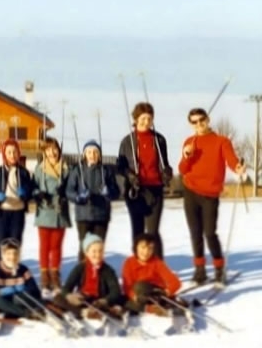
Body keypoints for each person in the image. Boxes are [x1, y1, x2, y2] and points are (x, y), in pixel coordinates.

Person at [179, 108, 245, 284]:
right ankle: (200, 271)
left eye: (201, 120)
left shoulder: (221, 141)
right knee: (195, 233)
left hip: (210, 193)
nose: (199, 124)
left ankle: (218, 268)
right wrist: (187, 155)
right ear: (191, 124)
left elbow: (231, 159)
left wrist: (238, 167)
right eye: (194, 122)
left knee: (209, 233)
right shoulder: (189, 142)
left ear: (208, 119)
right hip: (191, 190)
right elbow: (182, 169)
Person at [117, 102, 173, 258]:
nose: (146, 122)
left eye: (149, 118)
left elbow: (164, 164)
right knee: (138, 230)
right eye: (142, 118)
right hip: (135, 190)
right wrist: (130, 176)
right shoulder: (127, 141)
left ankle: (158, 265)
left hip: (155, 189)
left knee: (153, 231)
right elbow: (120, 166)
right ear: (135, 119)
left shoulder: (159, 139)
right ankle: (138, 264)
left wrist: (167, 172)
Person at [66, 140, 120, 260]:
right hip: (83, 215)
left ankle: (97, 273)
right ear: (84, 154)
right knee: (84, 246)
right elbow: (69, 190)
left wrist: (109, 192)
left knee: (98, 247)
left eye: (95, 152)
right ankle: (83, 271)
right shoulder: (77, 170)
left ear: (99, 155)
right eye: (89, 152)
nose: (92, 155)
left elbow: (116, 191)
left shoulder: (106, 171)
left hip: (101, 215)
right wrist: (78, 197)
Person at [32, 137, 71, 295]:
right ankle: (44, 275)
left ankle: (55, 274)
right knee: (44, 246)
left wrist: (65, 194)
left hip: (59, 211)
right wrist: (38, 194)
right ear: (44, 153)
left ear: (59, 150)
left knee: (56, 246)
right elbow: (33, 186)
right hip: (44, 210)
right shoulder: (39, 169)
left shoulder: (66, 169)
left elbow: (72, 187)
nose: (52, 152)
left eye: (54, 148)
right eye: (48, 150)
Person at [54, 233, 123, 318]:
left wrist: (104, 301)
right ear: (87, 253)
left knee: (120, 299)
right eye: (94, 251)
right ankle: (84, 313)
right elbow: (66, 287)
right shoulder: (80, 268)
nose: (97, 254)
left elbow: (115, 291)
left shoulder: (107, 270)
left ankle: (108, 311)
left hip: (99, 301)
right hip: (83, 299)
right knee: (58, 298)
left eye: (100, 251)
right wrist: (70, 296)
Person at [0, 139, 34, 260]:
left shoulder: (24, 172)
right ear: (4, 154)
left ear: (19, 153)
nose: (12, 155)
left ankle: (14, 266)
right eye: (9, 152)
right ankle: (1, 267)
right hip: (2, 211)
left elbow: (30, 191)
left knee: (15, 240)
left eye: (15, 152)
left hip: (18, 211)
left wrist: (25, 193)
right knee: (2, 241)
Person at [122, 233, 182, 315]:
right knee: (123, 301)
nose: (146, 252)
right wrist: (134, 297)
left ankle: (167, 305)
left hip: (155, 294)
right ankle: (154, 309)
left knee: (139, 286)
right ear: (136, 247)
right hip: (140, 297)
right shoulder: (129, 262)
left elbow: (176, 283)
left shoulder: (156, 262)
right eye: (143, 247)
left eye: (150, 248)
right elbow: (127, 286)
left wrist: (166, 292)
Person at [0, 239, 43, 319]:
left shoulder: (23, 269)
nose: (12, 257)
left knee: (18, 299)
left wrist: (23, 290)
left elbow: (34, 290)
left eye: (15, 254)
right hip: (5, 302)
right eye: (8, 254)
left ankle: (15, 312)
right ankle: (26, 314)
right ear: (3, 255)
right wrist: (1, 292)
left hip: (19, 300)